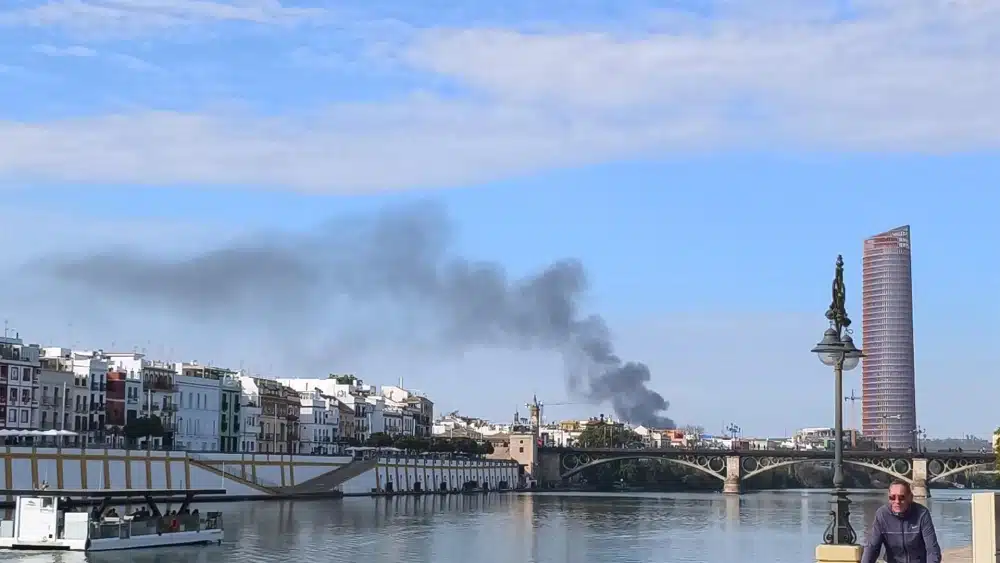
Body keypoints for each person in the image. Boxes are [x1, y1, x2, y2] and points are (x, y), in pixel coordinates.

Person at [861, 480, 942, 563]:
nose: (897, 502)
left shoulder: (922, 514)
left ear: (910, 497)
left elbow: (932, 549)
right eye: (892, 497)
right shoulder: (882, 514)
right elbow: (872, 547)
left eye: (901, 497)